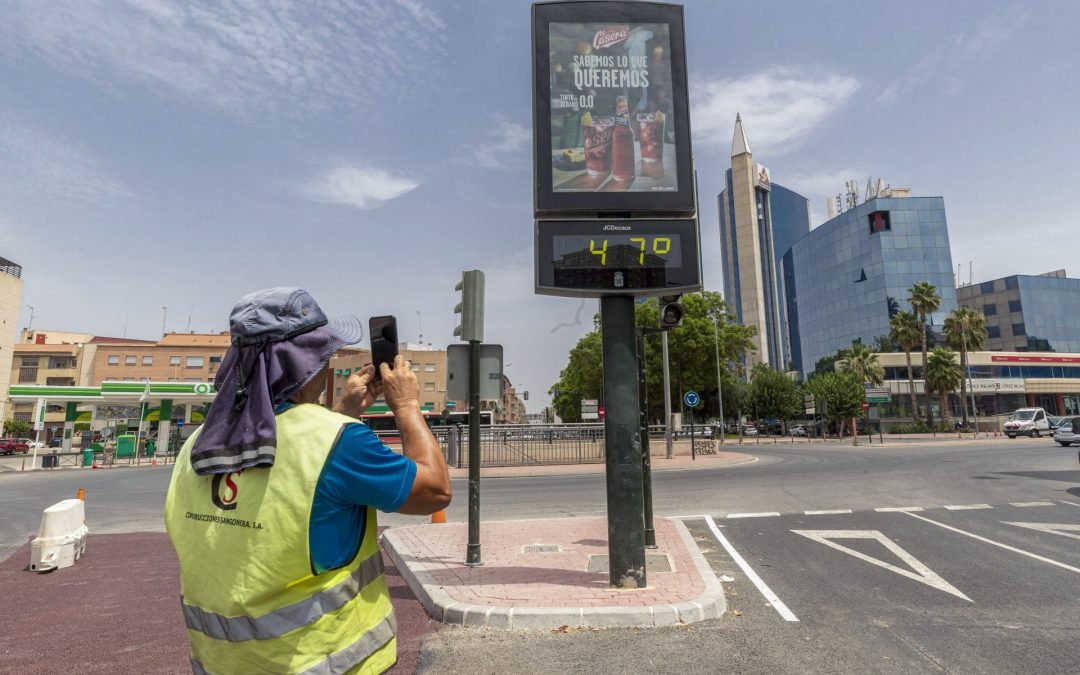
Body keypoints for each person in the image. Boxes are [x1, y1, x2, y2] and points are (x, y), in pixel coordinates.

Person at [164, 288, 451, 674]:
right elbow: (433, 491)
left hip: (220, 664)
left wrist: (343, 412)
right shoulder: (337, 441)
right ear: (305, 366)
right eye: (324, 357)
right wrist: (406, 405)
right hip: (323, 663)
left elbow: (289, 475)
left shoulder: (197, 444)